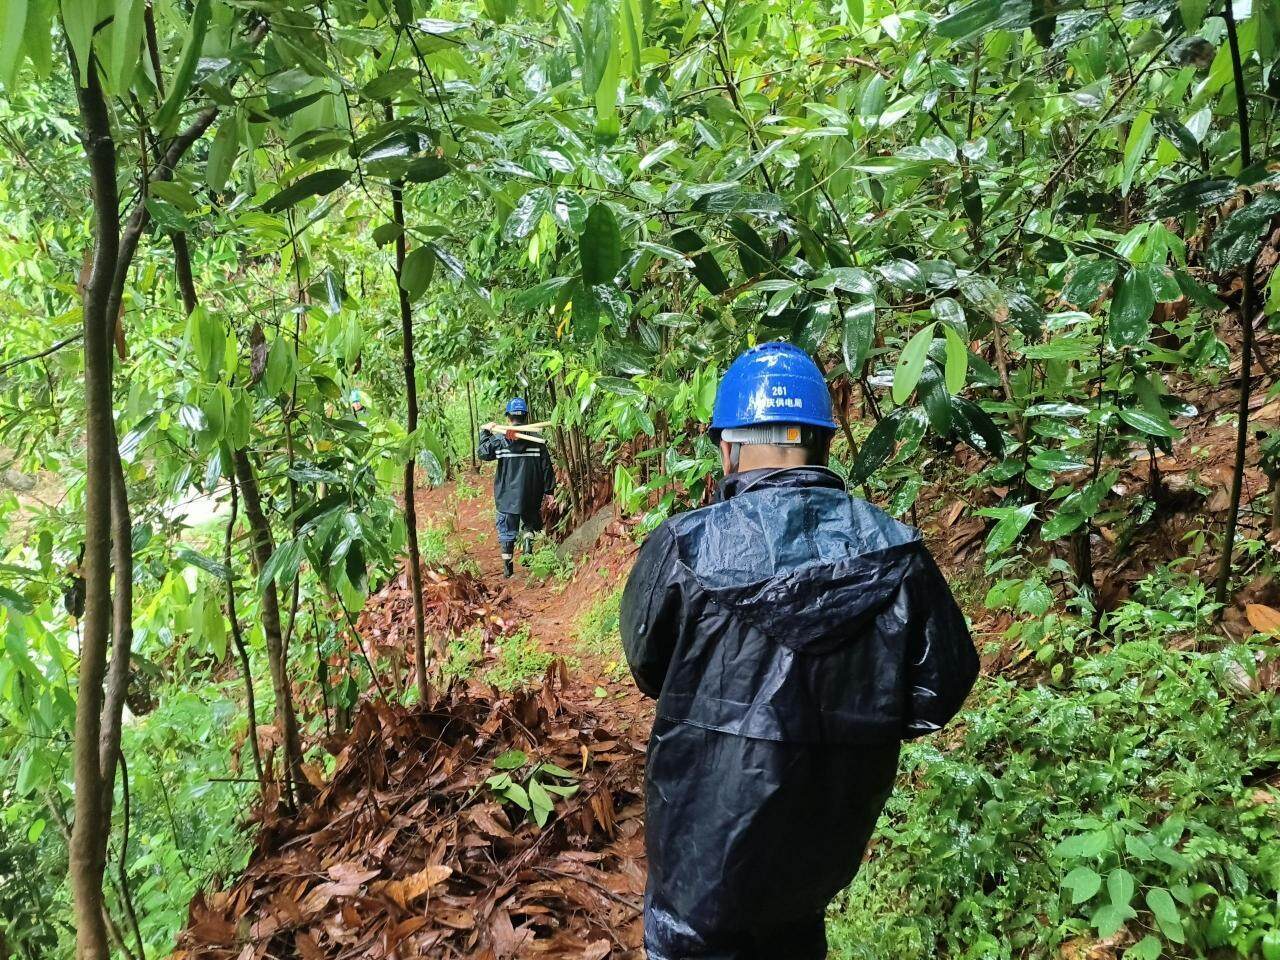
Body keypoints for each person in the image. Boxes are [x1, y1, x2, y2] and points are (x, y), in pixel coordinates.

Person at [620, 341, 978, 960]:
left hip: (699, 851)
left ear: (729, 448)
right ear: (823, 442)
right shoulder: (896, 553)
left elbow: (649, 665)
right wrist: (850, 712)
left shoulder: (685, 546)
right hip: (817, 854)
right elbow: (938, 686)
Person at [478, 398, 556, 578]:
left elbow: (483, 452)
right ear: (526, 416)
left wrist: (485, 432)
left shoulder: (500, 440)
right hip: (531, 492)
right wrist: (549, 491)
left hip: (506, 496)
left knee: (507, 530)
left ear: (508, 417)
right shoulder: (536, 440)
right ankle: (528, 547)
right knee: (530, 523)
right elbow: (546, 466)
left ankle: (508, 569)